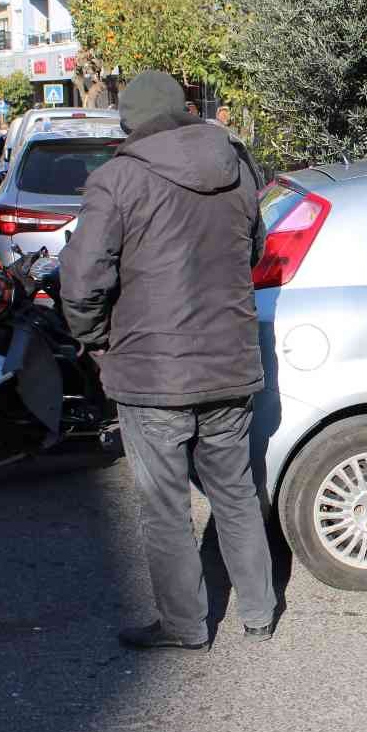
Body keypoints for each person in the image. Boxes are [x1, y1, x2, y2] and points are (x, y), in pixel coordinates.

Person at [60, 70, 276, 652]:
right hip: (230, 362)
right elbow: (255, 250)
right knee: (235, 490)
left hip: (151, 373)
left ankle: (185, 626)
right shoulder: (234, 164)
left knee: (165, 507)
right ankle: (259, 611)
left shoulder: (117, 178)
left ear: (129, 121)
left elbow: (81, 283)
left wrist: (96, 340)